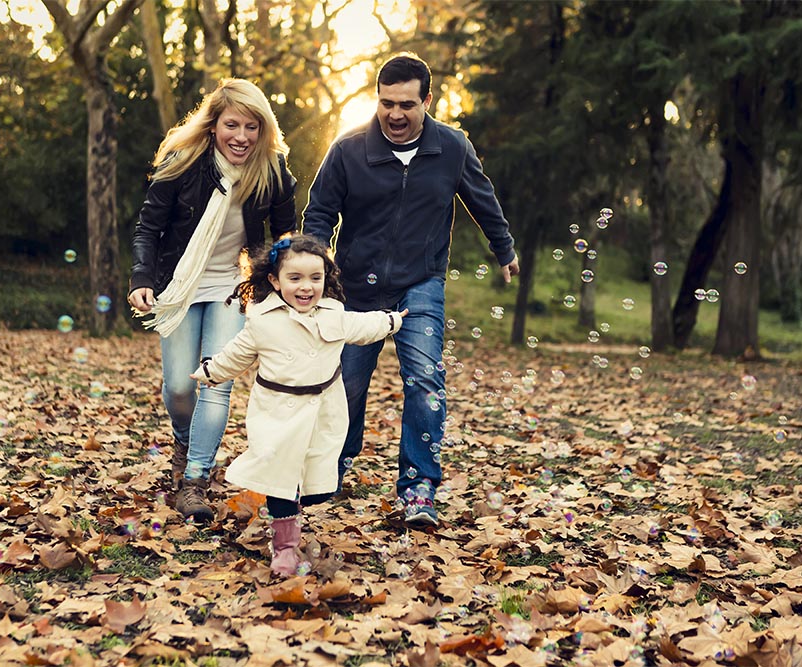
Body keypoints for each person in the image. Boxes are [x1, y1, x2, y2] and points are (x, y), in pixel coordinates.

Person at [302, 53, 520, 528]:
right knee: (345, 385)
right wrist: (314, 267)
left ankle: (419, 488)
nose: (395, 115)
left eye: (406, 104)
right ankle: (330, 467)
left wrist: (504, 249)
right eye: (385, 104)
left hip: (420, 282)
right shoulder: (348, 149)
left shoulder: (452, 147)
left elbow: (483, 200)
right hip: (355, 288)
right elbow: (319, 212)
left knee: (425, 381)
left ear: (427, 100)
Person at [128, 78, 297, 524]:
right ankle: (185, 442)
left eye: (252, 127)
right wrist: (142, 277)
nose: (241, 136)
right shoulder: (183, 164)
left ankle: (195, 479)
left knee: (216, 383)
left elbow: (283, 241)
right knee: (180, 388)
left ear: (264, 130)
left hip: (231, 289)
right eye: (232, 125)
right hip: (178, 288)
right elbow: (149, 228)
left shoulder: (274, 174)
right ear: (213, 125)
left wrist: (290, 286)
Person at [190, 233, 407, 575]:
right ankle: (285, 546)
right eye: (295, 278)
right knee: (282, 480)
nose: (306, 287)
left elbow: (364, 326)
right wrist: (210, 371)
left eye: (315, 278)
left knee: (320, 486)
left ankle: (294, 508)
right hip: (278, 411)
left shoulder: (334, 314)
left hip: (323, 410)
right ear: (275, 281)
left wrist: (392, 320)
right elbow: (237, 353)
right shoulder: (262, 320)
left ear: (326, 278)